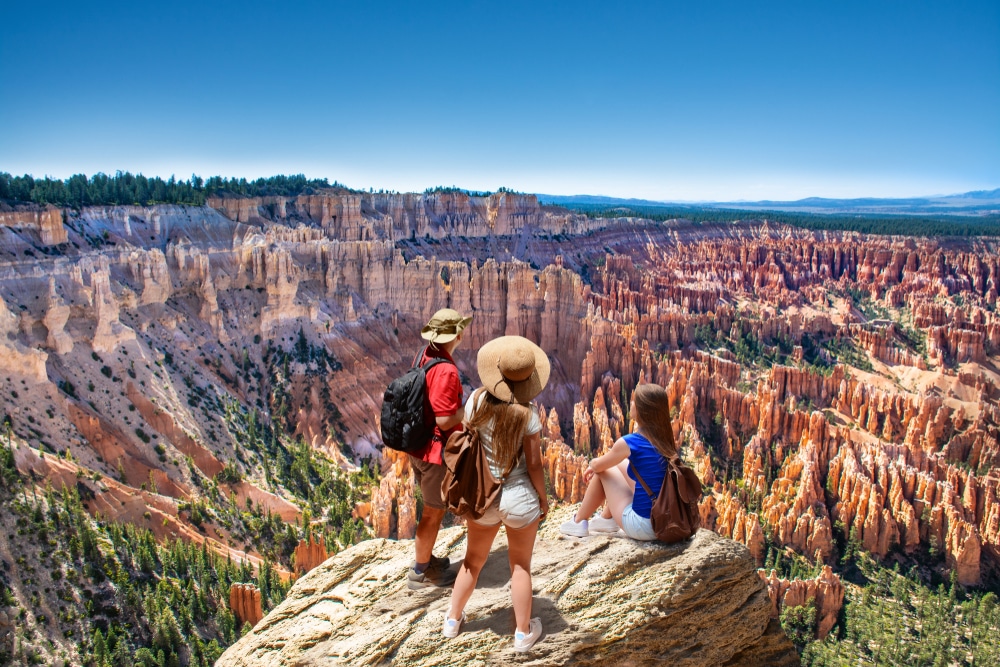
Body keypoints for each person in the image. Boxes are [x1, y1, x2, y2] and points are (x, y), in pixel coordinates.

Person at [441, 335, 550, 653]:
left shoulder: (475, 400)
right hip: (519, 501)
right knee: (520, 567)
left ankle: (452, 620)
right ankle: (523, 634)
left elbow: (466, 439)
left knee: (472, 562)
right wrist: (542, 499)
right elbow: (534, 466)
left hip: (482, 497)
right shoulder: (528, 416)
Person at [406, 308, 472, 590]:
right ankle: (419, 573)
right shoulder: (446, 370)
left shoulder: (424, 354)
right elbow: (445, 419)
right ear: (457, 335)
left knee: (432, 509)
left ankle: (427, 559)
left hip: (417, 446)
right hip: (434, 454)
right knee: (433, 512)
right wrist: (466, 411)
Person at [559, 383, 676, 541]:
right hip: (666, 521)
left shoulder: (630, 442)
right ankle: (606, 519)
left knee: (604, 471)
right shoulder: (664, 439)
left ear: (642, 410)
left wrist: (593, 465)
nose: (631, 403)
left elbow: (599, 466)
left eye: (634, 401)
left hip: (643, 527)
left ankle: (579, 521)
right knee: (620, 465)